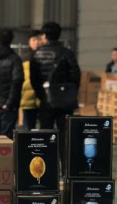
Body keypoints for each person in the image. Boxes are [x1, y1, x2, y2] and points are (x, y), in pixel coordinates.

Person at [30, 22, 81, 169]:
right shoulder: (67, 53)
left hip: (46, 101)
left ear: (45, 36)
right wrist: (70, 94)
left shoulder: (37, 54)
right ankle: (66, 169)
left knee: (45, 134)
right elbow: (76, 75)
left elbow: (34, 80)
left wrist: (42, 95)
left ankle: (46, 169)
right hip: (65, 102)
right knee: (65, 135)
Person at [20, 31, 41, 130]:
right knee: (28, 128)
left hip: (42, 99)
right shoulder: (24, 58)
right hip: (28, 98)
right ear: (29, 42)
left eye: (39, 39)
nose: (36, 42)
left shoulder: (45, 56)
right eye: (34, 40)